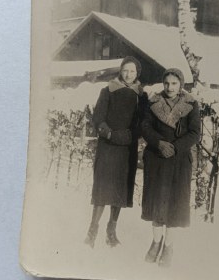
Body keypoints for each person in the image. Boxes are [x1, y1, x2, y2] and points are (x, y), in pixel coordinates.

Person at [141, 68, 200, 267]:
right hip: (156, 160)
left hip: (179, 161)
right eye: (167, 83)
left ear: (181, 84)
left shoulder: (191, 104)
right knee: (156, 204)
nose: (170, 87)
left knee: (174, 206)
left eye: (174, 83)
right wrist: (159, 143)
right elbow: (145, 127)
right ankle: (156, 242)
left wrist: (175, 147)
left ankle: (169, 246)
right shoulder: (153, 103)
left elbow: (194, 133)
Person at [85, 56, 145, 248]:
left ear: (137, 74)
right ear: (121, 71)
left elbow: (142, 123)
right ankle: (92, 232)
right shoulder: (108, 90)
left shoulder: (140, 95)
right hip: (108, 147)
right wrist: (109, 134)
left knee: (120, 189)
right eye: (126, 70)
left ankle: (111, 232)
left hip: (127, 148)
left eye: (133, 71)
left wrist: (129, 137)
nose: (128, 74)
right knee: (103, 189)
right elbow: (98, 117)